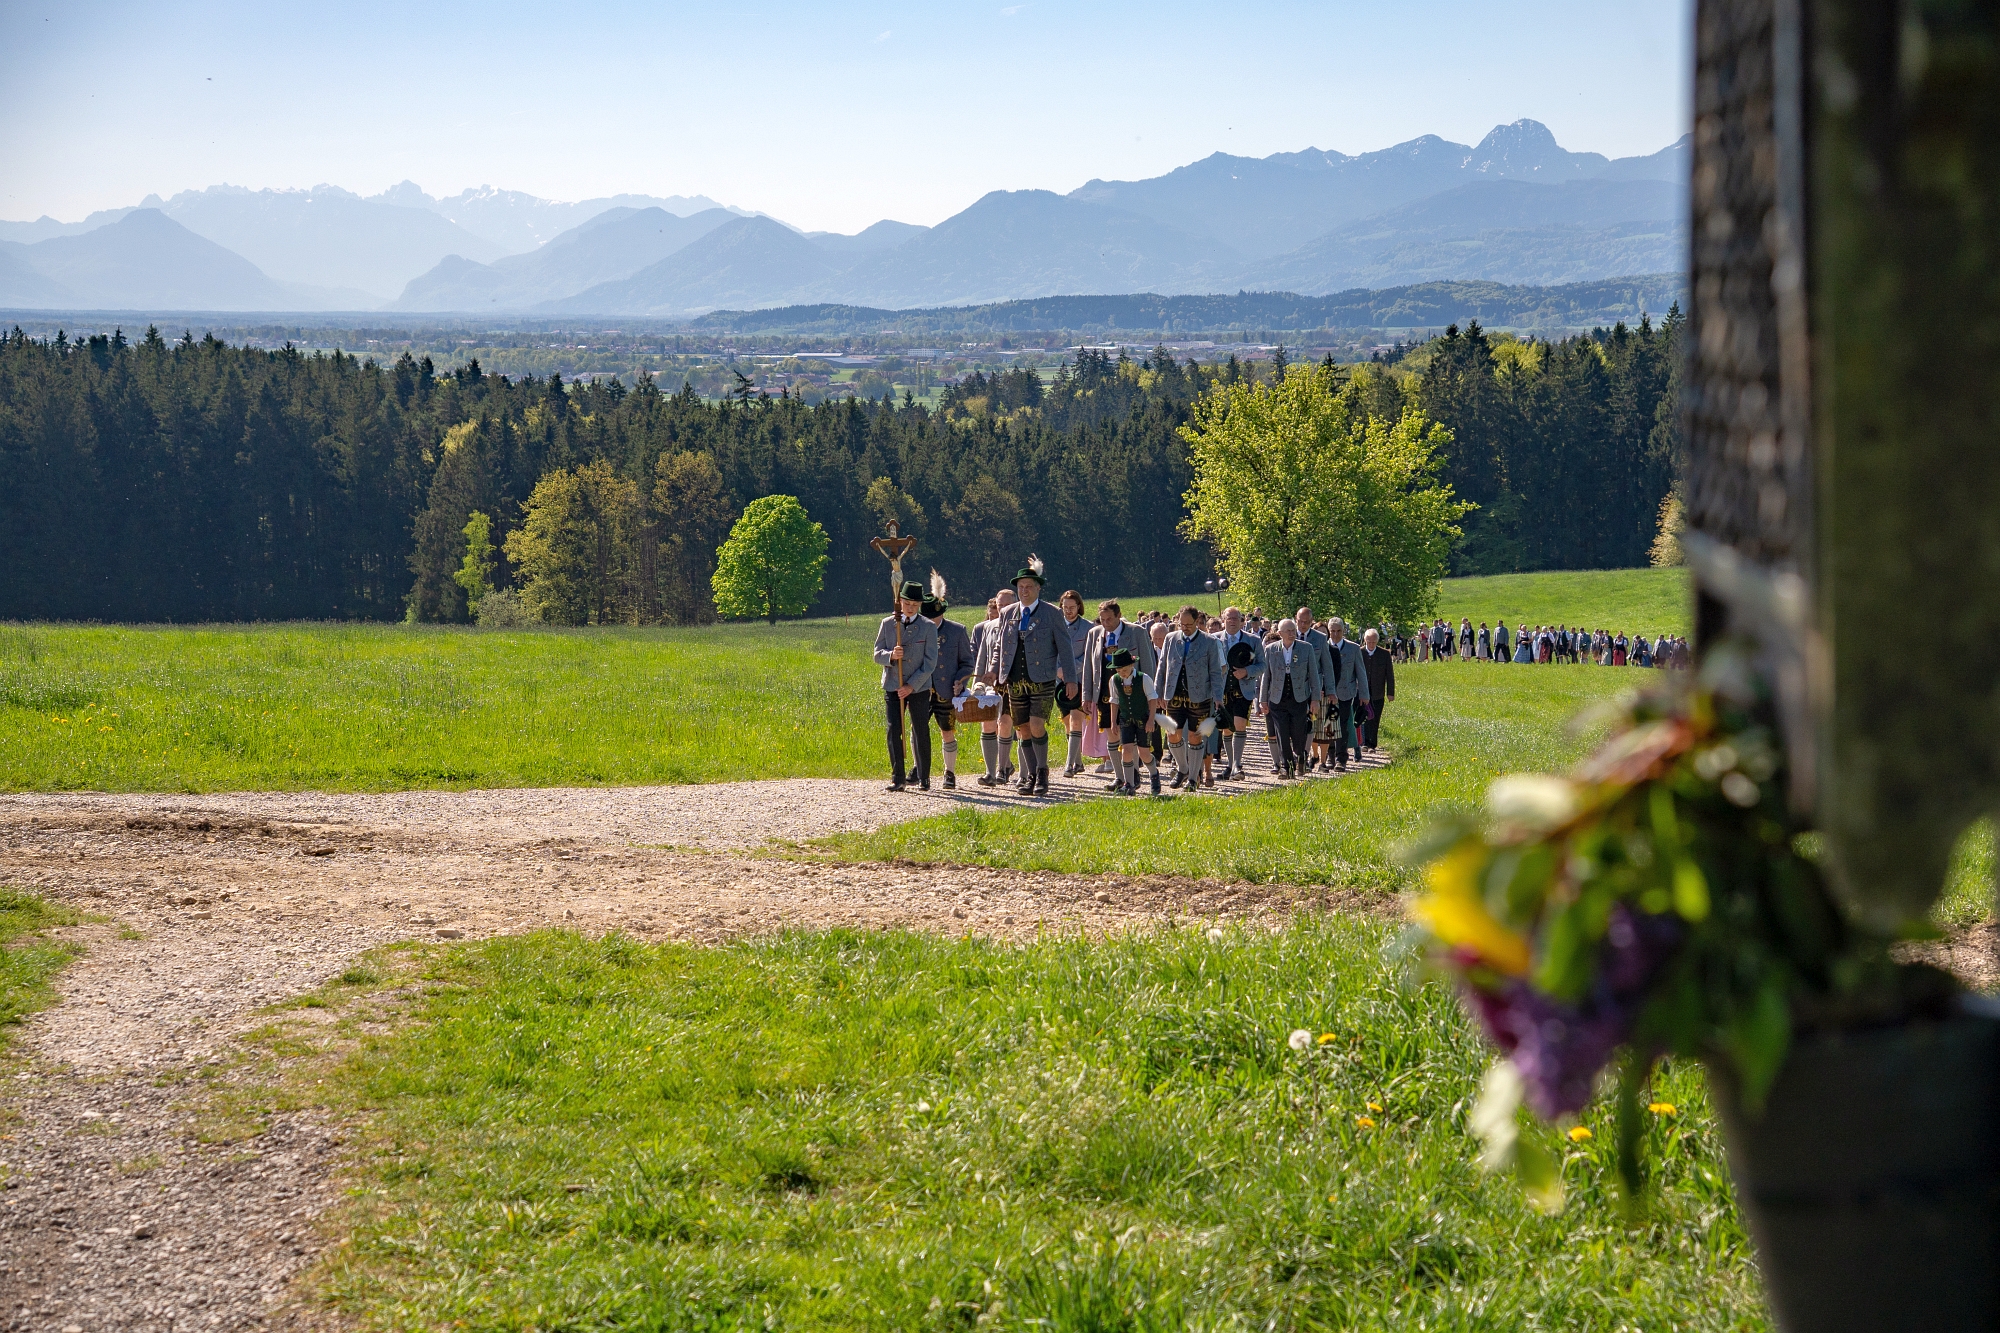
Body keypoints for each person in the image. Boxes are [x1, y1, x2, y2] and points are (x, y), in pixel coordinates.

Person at [992, 558, 1078, 796]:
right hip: (1015, 679)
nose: (1024, 591)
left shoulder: (1052, 613)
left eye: (1029, 586)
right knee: (1022, 728)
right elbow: (1000, 645)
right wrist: (993, 670)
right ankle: (1030, 775)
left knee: (1037, 725)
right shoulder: (1007, 613)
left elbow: (1065, 648)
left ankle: (1042, 772)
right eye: (1021, 587)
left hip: (1042, 679)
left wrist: (1071, 679)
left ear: (1038, 588)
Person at [1082, 598, 1158, 792]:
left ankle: (1134, 775)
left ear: (1119, 616)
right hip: (1105, 692)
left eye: (1109, 619)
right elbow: (1089, 667)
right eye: (1102, 619)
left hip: (1132, 693)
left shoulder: (1136, 632)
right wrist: (1086, 695)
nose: (1105, 623)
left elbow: (1148, 664)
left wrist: (1149, 692)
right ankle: (1119, 776)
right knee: (1111, 733)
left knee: (1130, 738)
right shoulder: (1094, 634)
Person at [873, 579, 939, 792]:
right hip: (893, 684)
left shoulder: (928, 627)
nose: (910, 607)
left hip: (918, 687)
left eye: (915, 604)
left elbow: (930, 662)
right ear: (900, 601)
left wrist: (911, 686)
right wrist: (891, 655)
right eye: (907, 603)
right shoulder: (887, 624)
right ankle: (898, 778)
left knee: (920, 730)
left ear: (920, 605)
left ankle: (924, 777)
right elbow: (876, 654)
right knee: (894, 730)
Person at [1157, 604, 1223, 790]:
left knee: (1195, 736)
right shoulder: (1171, 638)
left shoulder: (1209, 642)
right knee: (1172, 734)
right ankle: (1183, 768)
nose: (1184, 628)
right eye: (1181, 624)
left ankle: (1193, 778)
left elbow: (1215, 672)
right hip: (1174, 694)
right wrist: (1158, 692)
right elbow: (1162, 666)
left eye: (1188, 624)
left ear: (1197, 622)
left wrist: (1218, 697)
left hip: (1200, 697)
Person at [924, 592, 975, 790]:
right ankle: (919, 769)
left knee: (947, 731)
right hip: (921, 689)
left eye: (934, 617)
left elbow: (967, 663)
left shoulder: (957, 630)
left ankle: (949, 772)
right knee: (918, 731)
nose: (931, 621)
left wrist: (960, 681)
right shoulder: (916, 630)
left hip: (946, 691)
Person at [1258, 618, 1320, 778]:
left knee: (1298, 731)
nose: (1292, 633)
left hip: (1298, 696)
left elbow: (1313, 675)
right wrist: (1262, 700)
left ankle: (1300, 755)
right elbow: (1266, 676)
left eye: (1293, 630)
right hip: (1277, 697)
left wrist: (1315, 699)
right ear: (1280, 633)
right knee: (1281, 733)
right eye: (1288, 631)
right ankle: (1287, 766)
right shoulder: (1271, 649)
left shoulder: (1306, 648)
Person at [970, 591, 1017, 785]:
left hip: (1012, 684)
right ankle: (989, 772)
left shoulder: (1019, 626)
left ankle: (1002, 769)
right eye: (999, 606)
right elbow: (982, 657)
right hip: (990, 685)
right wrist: (977, 685)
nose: (1002, 609)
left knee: (1005, 724)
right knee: (988, 724)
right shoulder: (989, 627)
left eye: (1006, 605)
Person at [1104, 647, 1162, 795]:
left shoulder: (1144, 678)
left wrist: (1151, 720)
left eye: (1124, 670)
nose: (1121, 673)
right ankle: (1129, 784)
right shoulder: (1114, 680)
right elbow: (1114, 701)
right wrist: (1113, 722)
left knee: (1144, 753)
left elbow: (1153, 699)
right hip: (1126, 719)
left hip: (1142, 719)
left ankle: (1154, 774)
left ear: (1131, 665)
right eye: (1118, 670)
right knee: (1126, 750)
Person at [1215, 606, 1263, 781]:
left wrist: (1247, 671)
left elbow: (1262, 665)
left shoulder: (1253, 640)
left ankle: (1237, 764)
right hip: (1222, 690)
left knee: (1240, 724)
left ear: (1242, 621)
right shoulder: (1214, 639)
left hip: (1243, 689)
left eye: (1236, 618)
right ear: (1223, 620)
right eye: (1229, 618)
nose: (1232, 621)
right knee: (1227, 728)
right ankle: (1229, 765)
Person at [1323, 617, 1367, 771]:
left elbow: (1360, 672)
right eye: (1332, 631)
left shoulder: (1353, 648)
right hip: (1327, 693)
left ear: (1343, 631)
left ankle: (1341, 758)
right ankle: (1330, 755)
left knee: (1342, 725)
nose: (1335, 634)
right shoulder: (1323, 647)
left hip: (1346, 693)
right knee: (1329, 724)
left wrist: (1364, 694)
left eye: (1338, 631)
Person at [1058, 589, 1093, 776]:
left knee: (1075, 719)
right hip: (1058, 681)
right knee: (1067, 721)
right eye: (1065, 607)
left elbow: (1089, 656)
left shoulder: (1088, 628)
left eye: (1072, 607)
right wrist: (1057, 670)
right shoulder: (1055, 625)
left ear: (1079, 607)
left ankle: (1069, 764)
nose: (1069, 611)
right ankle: (1078, 762)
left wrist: (1070, 670)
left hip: (1080, 680)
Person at [1359, 627, 1395, 752]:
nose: (1371, 644)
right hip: (1362, 692)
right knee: (1363, 717)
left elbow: (1389, 674)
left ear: (1377, 641)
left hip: (1378, 693)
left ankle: (1372, 744)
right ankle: (1364, 742)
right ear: (1365, 640)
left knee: (1375, 718)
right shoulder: (1359, 652)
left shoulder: (1384, 654)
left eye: (1373, 642)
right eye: (1369, 642)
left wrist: (1390, 693)